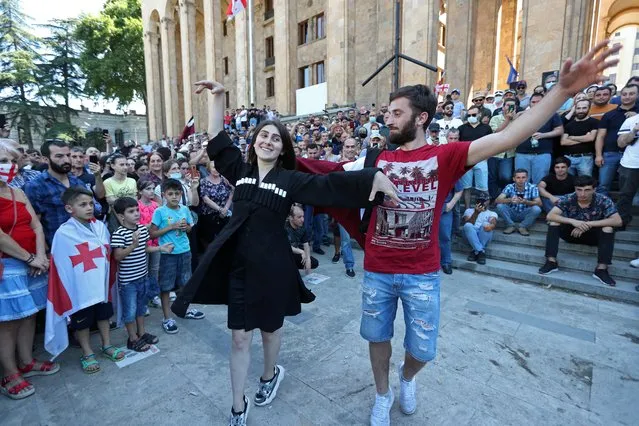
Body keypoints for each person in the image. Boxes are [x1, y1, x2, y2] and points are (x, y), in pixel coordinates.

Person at [170, 80, 398, 426]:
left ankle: (269, 375)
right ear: (255, 142)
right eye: (264, 135)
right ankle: (236, 406)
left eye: (276, 138)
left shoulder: (291, 179)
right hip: (240, 267)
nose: (268, 140)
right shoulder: (239, 171)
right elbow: (217, 139)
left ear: (282, 149)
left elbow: (330, 184)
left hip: (274, 266)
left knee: (270, 330)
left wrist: (372, 178)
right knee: (239, 336)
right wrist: (218, 97)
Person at [0, 140, 56, 400]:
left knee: (29, 314)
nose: (9, 166)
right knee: (8, 321)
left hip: (31, 261)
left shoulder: (16, 192)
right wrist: (30, 257)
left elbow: (36, 225)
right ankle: (9, 372)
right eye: (2, 161)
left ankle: (26, 361)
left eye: (11, 161)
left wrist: (40, 256)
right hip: (8, 263)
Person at [46, 187, 125, 372]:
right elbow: (61, 265)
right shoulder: (63, 233)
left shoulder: (99, 226)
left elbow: (107, 250)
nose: (89, 208)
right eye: (82, 205)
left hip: (100, 282)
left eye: (91, 203)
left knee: (104, 315)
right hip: (80, 287)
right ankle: (87, 352)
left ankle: (106, 345)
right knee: (82, 321)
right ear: (69, 208)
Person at [112, 197, 172, 352]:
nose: (136, 213)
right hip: (128, 282)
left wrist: (160, 248)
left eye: (137, 210)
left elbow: (145, 249)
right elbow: (118, 256)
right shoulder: (119, 233)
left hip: (143, 277)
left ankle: (142, 332)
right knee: (130, 311)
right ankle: (132, 339)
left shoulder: (142, 229)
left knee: (140, 308)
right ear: (121, 216)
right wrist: (132, 245)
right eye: (131, 211)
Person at [539, 175, 622, 286]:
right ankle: (551, 262)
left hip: (593, 236)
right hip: (571, 233)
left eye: (587, 190)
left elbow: (617, 221)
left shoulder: (603, 200)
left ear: (594, 189)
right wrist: (573, 221)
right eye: (579, 190)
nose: (582, 194)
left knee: (608, 228)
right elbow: (550, 215)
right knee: (554, 222)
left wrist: (588, 224)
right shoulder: (568, 198)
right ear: (575, 189)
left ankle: (601, 269)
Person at [149, 179, 205, 334]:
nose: (174, 197)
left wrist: (186, 227)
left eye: (177, 193)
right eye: (170, 194)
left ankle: (184, 309)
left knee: (185, 283)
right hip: (168, 254)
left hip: (185, 251)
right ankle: (167, 318)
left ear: (181, 194)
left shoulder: (185, 209)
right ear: (164, 195)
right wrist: (171, 227)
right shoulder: (160, 212)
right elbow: (152, 233)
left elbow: (189, 229)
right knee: (166, 286)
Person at [24, 139, 88, 248]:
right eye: (59, 156)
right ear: (45, 159)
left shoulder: (76, 181)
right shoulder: (36, 186)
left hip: (84, 244)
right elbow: (34, 224)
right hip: (56, 247)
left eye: (68, 155)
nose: (66, 160)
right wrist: (45, 251)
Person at [595, 84, 639, 195]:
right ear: (620, 96)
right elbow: (600, 136)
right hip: (610, 153)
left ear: (637, 95)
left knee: (632, 186)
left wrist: (636, 117)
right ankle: (603, 210)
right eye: (624, 94)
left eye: (631, 94)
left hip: (633, 156)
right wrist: (599, 155)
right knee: (604, 185)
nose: (627, 96)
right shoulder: (609, 115)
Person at [514, 92, 564, 184]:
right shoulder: (522, 115)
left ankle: (539, 199)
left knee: (540, 182)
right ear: (529, 103)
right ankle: (523, 199)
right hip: (522, 154)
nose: (536, 104)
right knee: (521, 182)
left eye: (539, 102)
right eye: (533, 102)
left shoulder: (552, 114)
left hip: (542, 154)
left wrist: (543, 135)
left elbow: (559, 130)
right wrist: (516, 117)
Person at [459, 105, 492, 210]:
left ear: (479, 115)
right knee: (466, 187)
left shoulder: (486, 128)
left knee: (483, 187)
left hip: (481, 160)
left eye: (474, 114)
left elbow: (491, 143)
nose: (471, 117)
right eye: (469, 115)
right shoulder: (462, 128)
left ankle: (484, 209)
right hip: (466, 160)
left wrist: (487, 156)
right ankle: (468, 209)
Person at [137, 179, 162, 310]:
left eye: (153, 188)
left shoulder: (156, 205)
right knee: (143, 270)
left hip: (156, 242)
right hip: (142, 243)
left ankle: (153, 295)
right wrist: (151, 226)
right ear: (140, 191)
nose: (152, 191)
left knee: (154, 270)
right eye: (148, 189)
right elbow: (136, 225)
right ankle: (143, 299)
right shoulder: (136, 206)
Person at [494, 169, 542, 235]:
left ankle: (523, 226)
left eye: (523, 177)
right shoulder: (509, 187)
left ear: (527, 178)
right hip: (512, 212)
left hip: (525, 214)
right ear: (514, 179)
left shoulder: (532, 187)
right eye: (518, 177)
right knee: (499, 206)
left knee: (537, 209)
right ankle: (510, 225)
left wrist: (526, 202)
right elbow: (497, 200)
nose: (521, 180)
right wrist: (510, 200)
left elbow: (539, 203)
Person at [198, 160, 234, 247]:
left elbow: (231, 193)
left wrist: (225, 209)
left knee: (225, 242)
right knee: (211, 243)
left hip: (224, 215)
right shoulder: (203, 181)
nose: (216, 169)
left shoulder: (225, 180)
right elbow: (205, 199)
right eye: (214, 167)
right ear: (209, 169)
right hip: (209, 216)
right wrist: (220, 209)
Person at [560, 99, 598, 176]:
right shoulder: (569, 125)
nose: (581, 110)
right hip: (569, 158)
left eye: (584, 108)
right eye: (578, 108)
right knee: (569, 183)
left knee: (585, 183)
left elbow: (591, 138)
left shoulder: (594, 122)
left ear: (589, 108)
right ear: (575, 109)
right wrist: (585, 138)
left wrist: (572, 137)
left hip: (585, 158)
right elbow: (563, 142)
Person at [616, 111, 639, 228]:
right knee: (625, 195)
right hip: (631, 164)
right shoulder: (632, 120)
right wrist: (634, 131)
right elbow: (620, 143)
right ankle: (621, 221)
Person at [463, 192, 497, 264]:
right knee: (467, 225)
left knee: (486, 224)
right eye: (480, 200)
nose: (483, 202)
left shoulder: (492, 213)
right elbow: (467, 222)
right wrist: (476, 213)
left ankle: (475, 250)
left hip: (484, 234)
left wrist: (491, 226)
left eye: (485, 200)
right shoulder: (468, 211)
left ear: (488, 201)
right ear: (476, 200)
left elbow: (493, 222)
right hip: (471, 234)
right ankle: (480, 251)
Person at [439, 179, 463, 274]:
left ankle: (446, 262)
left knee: (445, 236)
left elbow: (459, 190)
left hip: (444, 209)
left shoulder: (450, 170)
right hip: (427, 208)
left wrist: (451, 204)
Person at [286, 205, 318, 273]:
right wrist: (301, 251)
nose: (303, 220)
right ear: (291, 217)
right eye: (299, 217)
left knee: (314, 263)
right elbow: (285, 246)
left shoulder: (302, 228)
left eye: (303, 216)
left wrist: (308, 260)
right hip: (282, 255)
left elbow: (306, 245)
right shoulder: (284, 227)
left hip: (293, 253)